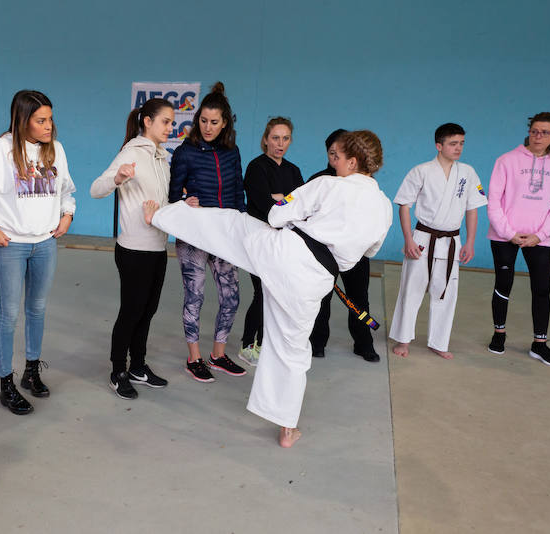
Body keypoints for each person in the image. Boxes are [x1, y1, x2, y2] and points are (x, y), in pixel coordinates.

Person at [144, 130, 392, 448]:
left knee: (231, 226)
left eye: (338, 158)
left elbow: (276, 215)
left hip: (284, 253)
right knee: (293, 349)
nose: (335, 163)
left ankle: (159, 216)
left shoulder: (328, 184)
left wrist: (296, 214)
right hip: (316, 279)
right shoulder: (383, 207)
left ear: (353, 162)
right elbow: (369, 250)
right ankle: (288, 429)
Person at [0, 90, 76, 415]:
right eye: (41, 120)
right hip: (10, 245)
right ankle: (6, 384)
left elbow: (66, 190)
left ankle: (31, 372)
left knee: (37, 309)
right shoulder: (1, 150)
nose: (49, 126)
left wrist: (67, 214)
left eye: (50, 119)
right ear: (23, 121)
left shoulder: (56, 150)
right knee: (9, 314)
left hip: (45, 243)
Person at [91, 98, 175, 399]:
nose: (170, 127)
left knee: (148, 310)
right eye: (165, 121)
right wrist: (117, 178)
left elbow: (160, 200)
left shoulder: (162, 157)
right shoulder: (131, 152)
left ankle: (138, 366)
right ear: (147, 122)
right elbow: (96, 189)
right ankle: (118, 370)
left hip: (158, 248)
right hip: (134, 250)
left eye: (172, 122)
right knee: (132, 311)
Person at [168, 82, 247, 382]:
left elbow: (237, 194)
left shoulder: (232, 152)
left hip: (224, 235)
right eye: (203, 121)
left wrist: (240, 228)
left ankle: (218, 354)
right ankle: (194, 358)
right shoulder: (185, 152)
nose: (208, 127)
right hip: (194, 236)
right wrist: (184, 201)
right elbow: (172, 196)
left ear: (224, 123)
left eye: (214, 122)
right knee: (195, 297)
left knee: (231, 298)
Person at [389, 123, 487, 359]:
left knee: (446, 293)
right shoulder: (421, 171)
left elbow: (472, 208)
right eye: (453, 143)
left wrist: (470, 241)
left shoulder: (468, 173)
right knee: (411, 290)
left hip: (451, 241)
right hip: (422, 239)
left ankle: (439, 341)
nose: (458, 148)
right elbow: (404, 206)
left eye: (461, 143)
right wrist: (408, 239)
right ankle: (403, 340)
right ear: (438, 145)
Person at [486, 112, 550, 367]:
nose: (538, 136)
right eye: (535, 131)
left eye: (545, 132)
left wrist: (540, 235)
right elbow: (493, 201)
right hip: (504, 236)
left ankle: (539, 344)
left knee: (542, 288)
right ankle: (499, 334)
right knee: (503, 283)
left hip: (540, 238)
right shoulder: (506, 160)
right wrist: (509, 233)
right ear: (529, 132)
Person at [306, 128, 380, 362]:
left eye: (340, 153)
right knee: (322, 296)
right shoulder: (320, 180)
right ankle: (316, 342)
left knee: (359, 298)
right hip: (324, 253)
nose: (335, 157)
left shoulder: (365, 183)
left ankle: (364, 343)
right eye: (331, 153)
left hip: (356, 253)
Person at [237, 117, 304, 367]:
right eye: (275, 138)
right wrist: (285, 201)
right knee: (262, 291)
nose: (280, 143)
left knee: (277, 294)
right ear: (266, 139)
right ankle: (247, 345)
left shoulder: (293, 170)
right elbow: (266, 207)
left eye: (285, 138)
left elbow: (301, 205)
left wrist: (280, 199)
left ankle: (265, 344)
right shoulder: (256, 168)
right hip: (260, 238)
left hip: (284, 241)